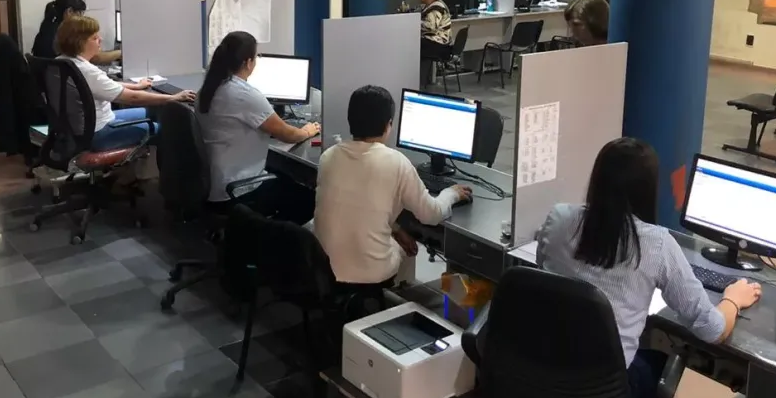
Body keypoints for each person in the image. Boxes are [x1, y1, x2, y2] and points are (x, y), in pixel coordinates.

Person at [479, 138, 762, 398]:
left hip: (531, 375)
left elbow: (544, 274)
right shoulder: (657, 244)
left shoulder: (559, 218)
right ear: (649, 189)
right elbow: (711, 329)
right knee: (660, 359)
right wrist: (733, 300)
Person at [314, 85, 471, 301]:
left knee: (396, 239)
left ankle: (376, 303)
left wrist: (396, 229)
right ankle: (394, 304)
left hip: (323, 268)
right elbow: (431, 214)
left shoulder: (328, 156)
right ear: (388, 125)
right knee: (406, 250)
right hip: (369, 274)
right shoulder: (396, 162)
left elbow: (357, 208)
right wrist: (451, 193)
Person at [195, 31, 320, 222]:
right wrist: (306, 131)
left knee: (284, 177)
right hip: (236, 191)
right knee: (309, 199)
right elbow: (287, 134)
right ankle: (267, 235)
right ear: (248, 62)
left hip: (213, 184)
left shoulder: (208, 88)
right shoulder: (243, 94)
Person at [55, 16, 195, 151]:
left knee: (151, 111)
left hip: (77, 130)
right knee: (167, 130)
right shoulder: (87, 71)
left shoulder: (61, 62)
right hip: (98, 133)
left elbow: (104, 85)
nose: (100, 40)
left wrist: (136, 86)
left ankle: (137, 165)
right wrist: (173, 97)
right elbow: (133, 98)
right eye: (95, 38)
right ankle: (162, 167)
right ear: (80, 42)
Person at [34, 0, 121, 64]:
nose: (82, 18)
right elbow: (94, 58)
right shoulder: (65, 34)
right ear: (69, 11)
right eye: (80, 13)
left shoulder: (46, 29)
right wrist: (120, 53)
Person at [418, 0, 453, 87]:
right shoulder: (434, 5)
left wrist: (414, 22)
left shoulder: (436, 8)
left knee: (416, 46)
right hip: (440, 43)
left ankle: (420, 82)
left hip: (440, 45)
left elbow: (430, 27)